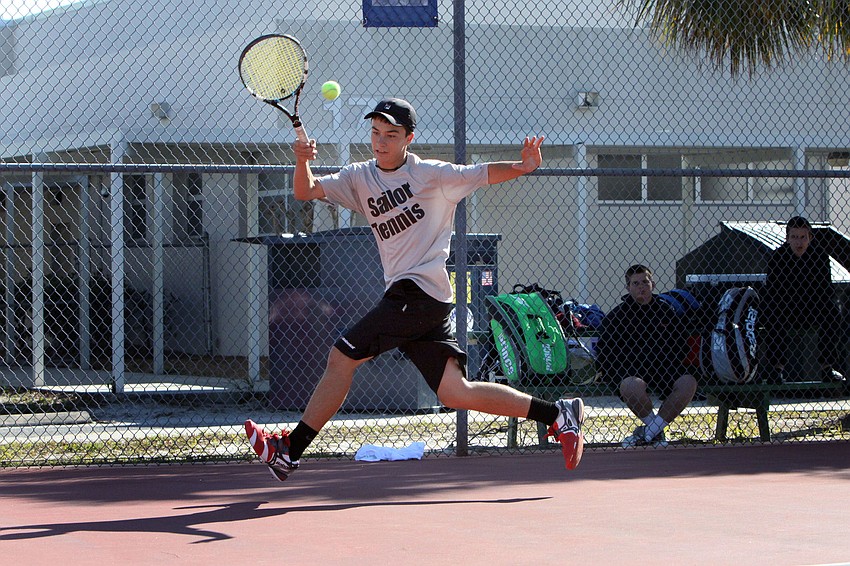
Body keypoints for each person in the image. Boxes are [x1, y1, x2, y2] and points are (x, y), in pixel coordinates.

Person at [244, 98, 585, 480]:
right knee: (457, 393)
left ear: (409, 138)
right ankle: (558, 413)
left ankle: (290, 450)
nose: (381, 141)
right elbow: (306, 192)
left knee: (341, 358)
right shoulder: (359, 177)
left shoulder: (432, 175)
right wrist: (302, 158)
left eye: (391, 134)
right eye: (375, 133)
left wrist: (522, 166)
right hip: (420, 301)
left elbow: (481, 173)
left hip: (418, 293)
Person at [595, 264, 697, 447]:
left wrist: (671, 362)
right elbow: (605, 353)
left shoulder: (667, 311)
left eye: (645, 282)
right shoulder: (617, 317)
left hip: (665, 370)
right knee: (631, 386)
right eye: (636, 283)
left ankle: (648, 433)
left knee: (688, 383)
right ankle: (655, 432)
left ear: (653, 284)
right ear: (628, 287)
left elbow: (681, 345)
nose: (641, 286)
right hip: (632, 371)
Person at [762, 216, 845, 384]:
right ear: (787, 238)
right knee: (772, 312)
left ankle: (826, 368)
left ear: (810, 238)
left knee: (832, 311)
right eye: (794, 237)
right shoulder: (778, 257)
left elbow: (826, 289)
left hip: (813, 307)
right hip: (786, 308)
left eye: (802, 237)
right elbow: (773, 291)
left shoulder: (819, 257)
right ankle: (776, 369)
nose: (798, 243)